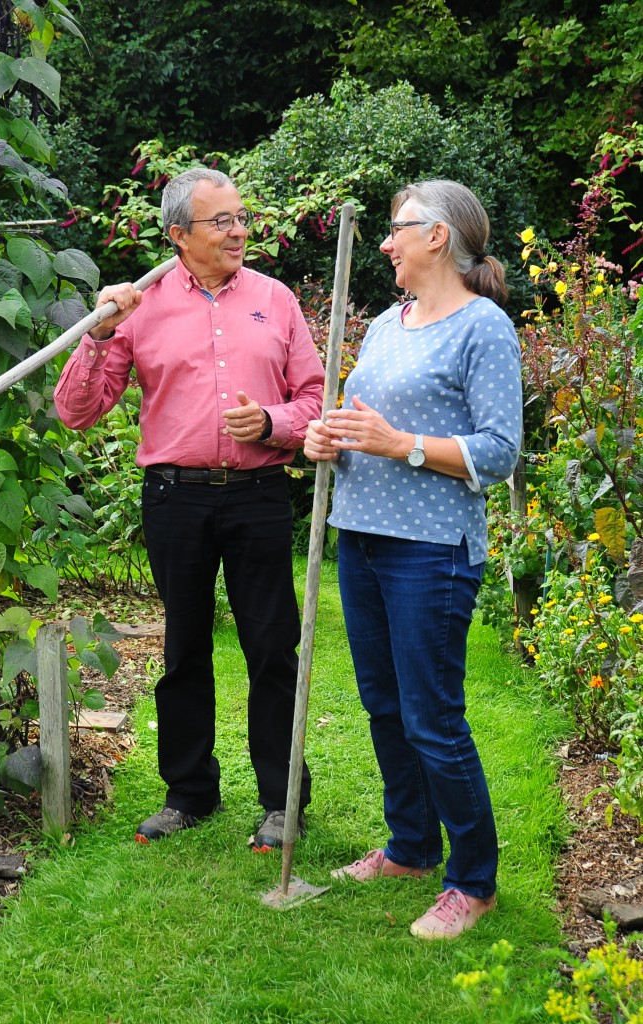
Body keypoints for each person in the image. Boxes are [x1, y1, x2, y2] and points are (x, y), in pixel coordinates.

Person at [54, 167, 325, 849]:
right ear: (178, 234)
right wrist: (100, 334)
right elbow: (76, 411)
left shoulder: (275, 298)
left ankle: (281, 800)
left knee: (271, 648)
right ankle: (188, 792)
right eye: (221, 221)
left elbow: (315, 402)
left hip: (258, 495)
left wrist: (269, 423)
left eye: (240, 217)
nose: (239, 231)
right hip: (175, 498)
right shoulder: (138, 308)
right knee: (183, 650)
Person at [304, 179, 522, 939]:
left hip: (430, 550)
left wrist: (400, 445)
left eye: (397, 229)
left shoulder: (482, 327)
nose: (386, 242)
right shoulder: (389, 324)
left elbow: (498, 452)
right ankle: (409, 847)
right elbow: (361, 419)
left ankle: (473, 880)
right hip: (360, 535)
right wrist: (323, 437)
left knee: (433, 718)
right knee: (385, 707)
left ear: (437, 237)